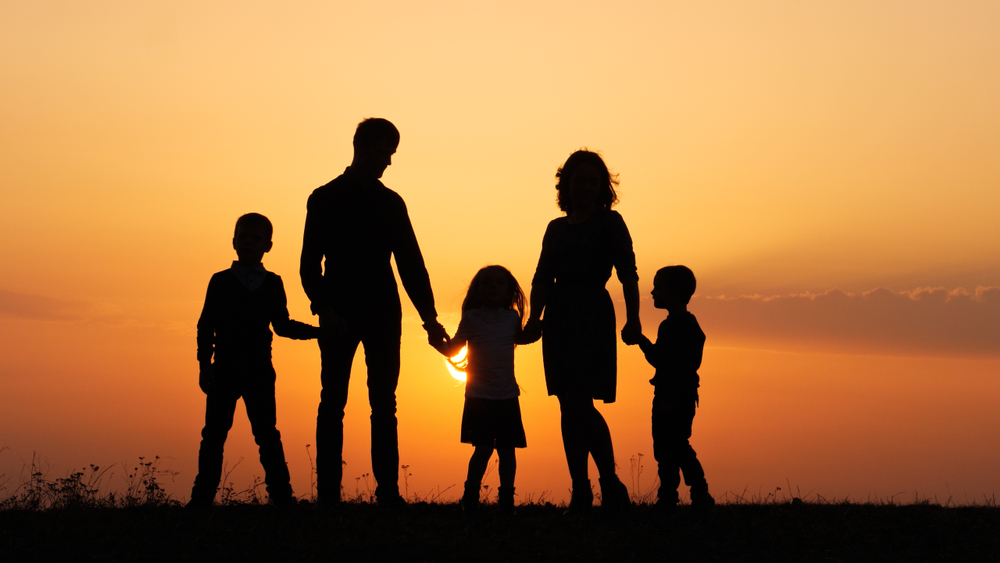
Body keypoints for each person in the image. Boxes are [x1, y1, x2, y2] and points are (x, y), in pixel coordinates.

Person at [300, 118, 448, 507]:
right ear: (361, 149)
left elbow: (411, 264)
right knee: (333, 401)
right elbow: (308, 265)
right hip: (339, 315)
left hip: (384, 313)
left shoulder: (391, 203)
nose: (387, 161)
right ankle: (328, 496)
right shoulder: (324, 198)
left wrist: (430, 320)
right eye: (382, 152)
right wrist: (325, 309)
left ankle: (388, 494)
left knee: (384, 403)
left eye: (391, 154)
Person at [525, 149, 641, 512]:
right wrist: (534, 319)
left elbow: (628, 274)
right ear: (567, 185)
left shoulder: (611, 223)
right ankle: (581, 488)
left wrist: (634, 319)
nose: (587, 187)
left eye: (594, 181)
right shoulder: (555, 228)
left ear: (603, 186)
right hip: (559, 314)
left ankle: (609, 482)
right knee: (566, 403)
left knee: (580, 401)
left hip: (592, 312)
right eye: (580, 181)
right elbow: (543, 276)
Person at [189, 213, 320, 509]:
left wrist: (318, 333)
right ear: (233, 241)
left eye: (255, 238)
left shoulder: (273, 283)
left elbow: (282, 325)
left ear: (268, 245)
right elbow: (205, 325)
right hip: (223, 368)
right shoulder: (220, 281)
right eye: (243, 237)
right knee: (213, 435)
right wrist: (203, 365)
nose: (248, 242)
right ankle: (201, 499)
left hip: (259, 369)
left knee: (266, 434)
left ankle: (282, 497)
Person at [432, 266, 538, 515]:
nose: (493, 287)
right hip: (479, 396)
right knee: (483, 449)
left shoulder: (512, 318)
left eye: (499, 283)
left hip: (507, 395)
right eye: (487, 283)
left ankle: (506, 500)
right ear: (478, 291)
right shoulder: (471, 317)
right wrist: (437, 341)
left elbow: (520, 338)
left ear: (508, 291)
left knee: (507, 451)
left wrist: (536, 332)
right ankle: (470, 498)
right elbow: (453, 348)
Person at [634, 265, 714, 511]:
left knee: (677, 444)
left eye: (658, 287)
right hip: (667, 395)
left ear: (676, 292)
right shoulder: (671, 326)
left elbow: (674, 363)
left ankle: (698, 491)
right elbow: (662, 359)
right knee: (664, 447)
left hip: (676, 396)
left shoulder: (683, 327)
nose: (652, 292)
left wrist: (641, 340)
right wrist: (641, 341)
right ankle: (669, 496)